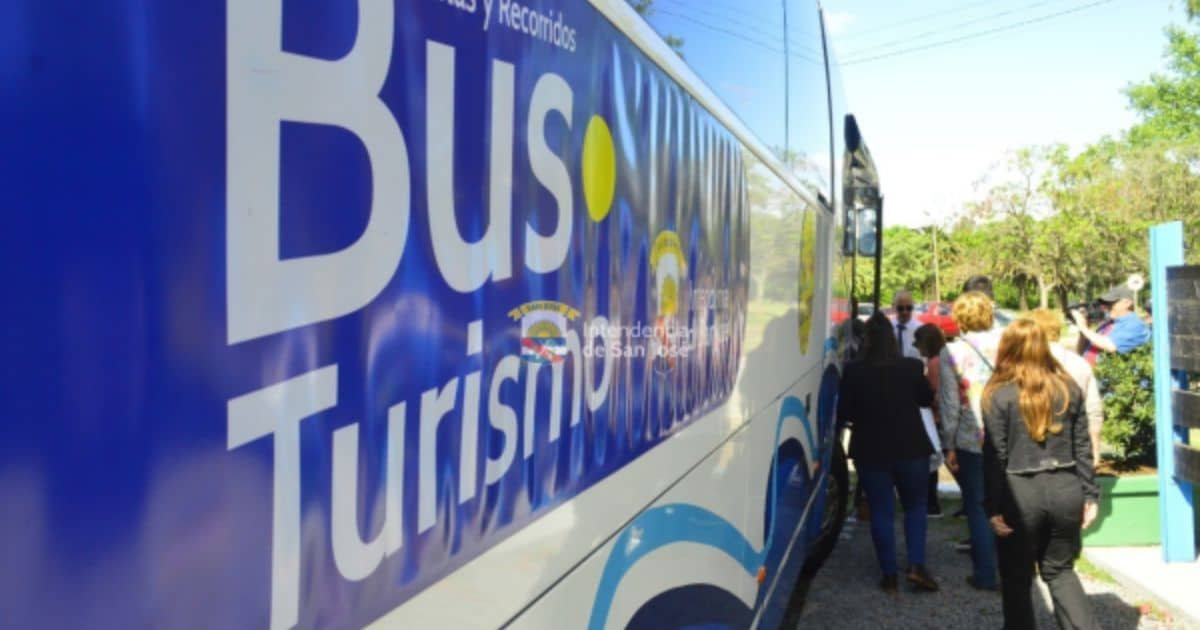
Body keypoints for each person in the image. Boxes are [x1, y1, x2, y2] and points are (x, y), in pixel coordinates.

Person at [982, 319, 1100, 630]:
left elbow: (995, 455)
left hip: (1020, 490)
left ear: (1008, 350)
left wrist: (992, 506)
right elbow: (1082, 446)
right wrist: (1089, 494)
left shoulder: (999, 395)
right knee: (1060, 571)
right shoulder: (1068, 388)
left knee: (1017, 577)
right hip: (1065, 485)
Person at [838, 313, 940, 594]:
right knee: (915, 507)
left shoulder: (854, 371)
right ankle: (917, 565)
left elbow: (844, 411)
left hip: (871, 451)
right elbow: (925, 398)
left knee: (881, 511)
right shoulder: (909, 367)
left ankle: (889, 574)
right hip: (911, 448)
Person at [938, 291, 1000, 590]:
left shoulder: (951, 352)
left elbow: (950, 403)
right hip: (1009, 434)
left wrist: (948, 444)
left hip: (970, 436)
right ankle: (1013, 569)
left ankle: (986, 573)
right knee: (1008, 501)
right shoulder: (1009, 344)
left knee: (977, 504)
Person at [1030, 309, 1105, 466]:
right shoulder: (1079, 363)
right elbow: (1093, 409)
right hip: (1074, 444)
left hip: (1035, 445)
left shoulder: (1025, 364)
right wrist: (1095, 449)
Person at [913, 323, 949, 518]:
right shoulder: (941, 358)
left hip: (936, 418)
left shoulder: (934, 363)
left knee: (932, 463)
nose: (916, 346)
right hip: (942, 416)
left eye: (918, 341)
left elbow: (934, 393)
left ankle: (932, 504)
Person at [1074, 284, 1151, 365]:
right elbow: (1081, 352)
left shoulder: (1135, 324)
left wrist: (1083, 328)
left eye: (1111, 303)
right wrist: (1083, 331)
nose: (1106, 306)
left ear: (1127, 303)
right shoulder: (1107, 324)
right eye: (1105, 303)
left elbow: (1111, 346)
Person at [891, 290, 922, 360]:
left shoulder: (920, 329)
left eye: (909, 308)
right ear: (894, 307)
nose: (905, 312)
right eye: (900, 308)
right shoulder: (888, 327)